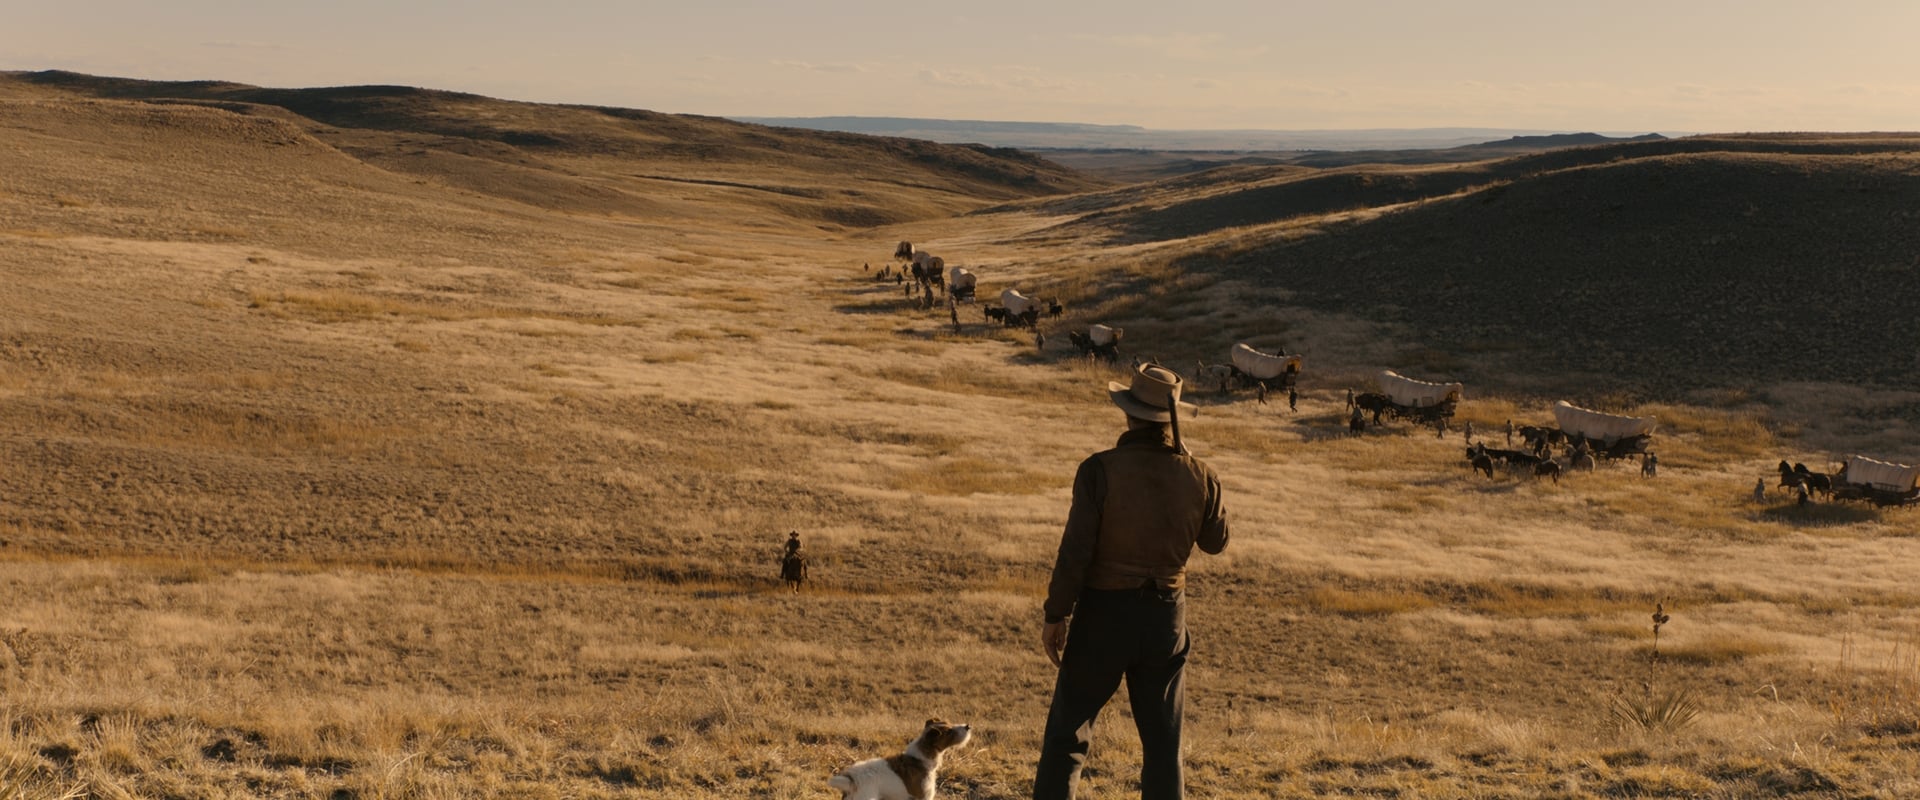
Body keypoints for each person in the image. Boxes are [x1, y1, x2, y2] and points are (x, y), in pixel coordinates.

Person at [1034, 364, 1229, 800]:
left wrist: (1056, 614)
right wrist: (1196, 468)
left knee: (1067, 737)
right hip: (1165, 620)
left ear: (1129, 414)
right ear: (1171, 421)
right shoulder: (1200, 474)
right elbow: (1216, 542)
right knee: (1163, 746)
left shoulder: (1099, 470)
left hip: (1103, 614)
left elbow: (1075, 553)